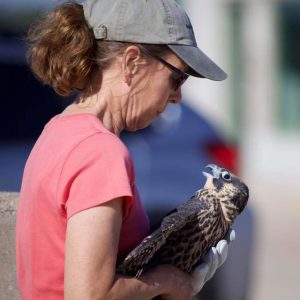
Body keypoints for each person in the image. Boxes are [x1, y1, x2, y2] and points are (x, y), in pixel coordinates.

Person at [16, 0, 235, 299]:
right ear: (132, 63)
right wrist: (170, 281)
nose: (178, 97)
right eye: (177, 77)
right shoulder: (100, 152)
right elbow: (89, 295)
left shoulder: (57, 131)